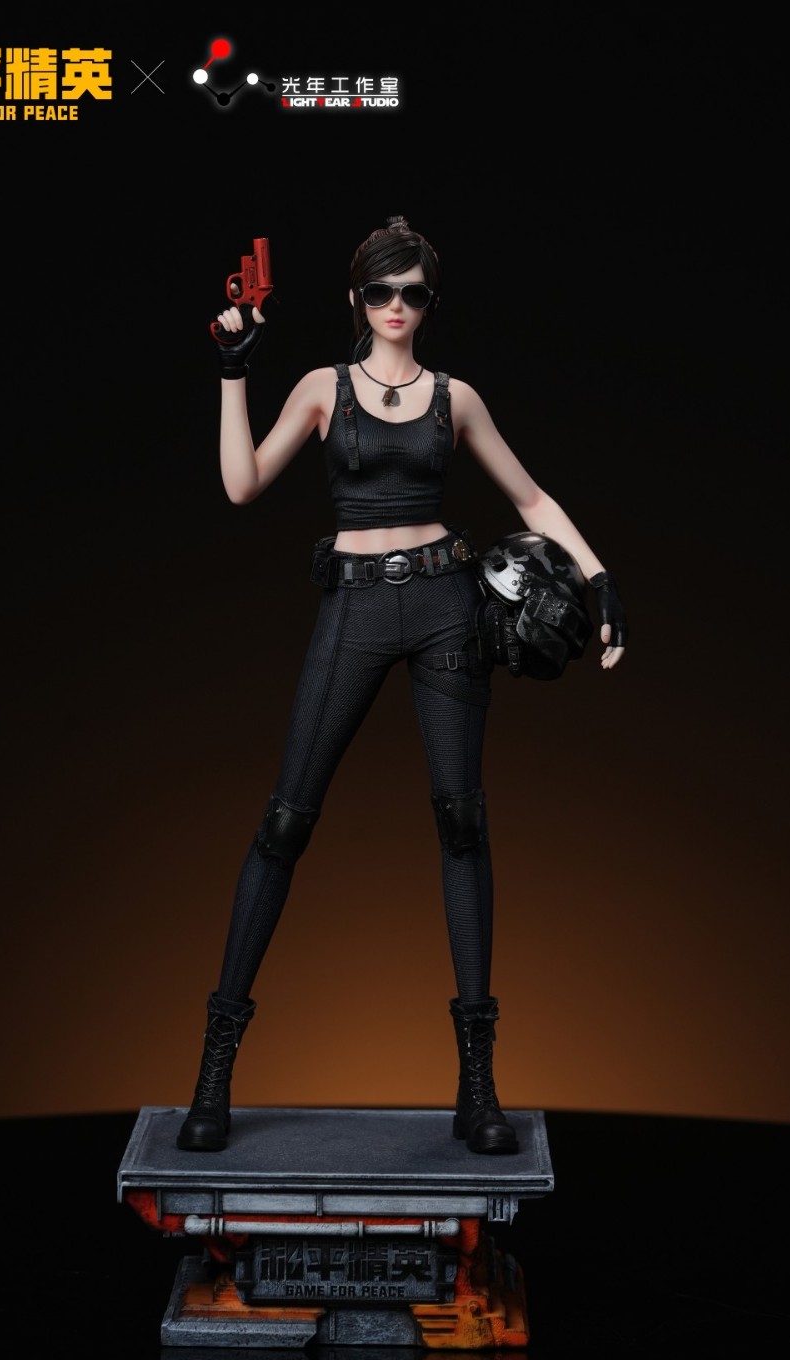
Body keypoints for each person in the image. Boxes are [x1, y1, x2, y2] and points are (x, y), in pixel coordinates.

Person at [178, 215, 626, 1156]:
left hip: (444, 605)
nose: (395, 306)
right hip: (353, 607)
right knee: (285, 824)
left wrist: (598, 577)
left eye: (411, 292)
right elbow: (242, 484)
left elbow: (530, 497)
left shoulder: (454, 398)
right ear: (357, 298)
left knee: (463, 823)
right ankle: (213, 1073)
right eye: (380, 291)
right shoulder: (322, 388)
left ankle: (478, 1087)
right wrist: (231, 372)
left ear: (430, 302)